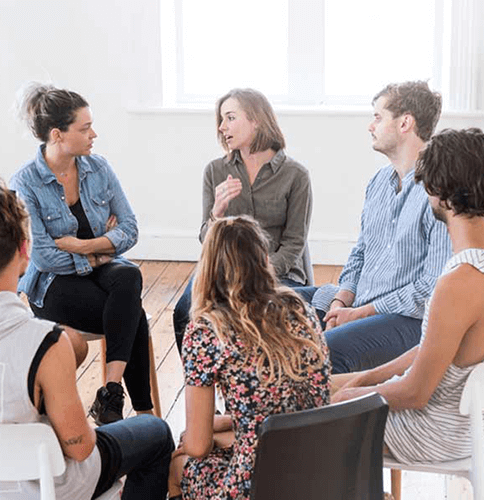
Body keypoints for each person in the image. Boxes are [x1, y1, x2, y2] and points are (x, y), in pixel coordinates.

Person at [0, 177, 174, 500]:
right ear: (24, 251)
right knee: (156, 433)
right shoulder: (43, 343)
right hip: (48, 487)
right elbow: (82, 448)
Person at [332, 127, 484, 465]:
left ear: (438, 191)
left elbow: (415, 393)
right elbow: (435, 348)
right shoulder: (473, 268)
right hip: (458, 424)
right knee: (313, 387)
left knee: (290, 416)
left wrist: (355, 394)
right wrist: (367, 377)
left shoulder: (459, 282)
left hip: (429, 432)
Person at [9, 82, 152, 425]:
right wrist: (103, 245)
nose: (94, 134)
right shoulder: (25, 183)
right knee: (133, 315)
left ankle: (111, 394)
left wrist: (83, 247)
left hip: (100, 274)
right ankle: (142, 412)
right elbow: (43, 258)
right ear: (57, 134)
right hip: (52, 286)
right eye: (85, 128)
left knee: (129, 275)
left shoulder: (97, 168)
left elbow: (131, 228)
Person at [168, 215, 330, 500]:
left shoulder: (207, 331)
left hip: (258, 484)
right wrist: (230, 424)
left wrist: (206, 438)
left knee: (178, 464)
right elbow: (282, 402)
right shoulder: (300, 310)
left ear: (208, 267)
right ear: (264, 258)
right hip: (318, 471)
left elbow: (197, 445)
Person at [311, 81, 451, 373]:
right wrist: (340, 301)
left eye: (377, 116)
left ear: (405, 123)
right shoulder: (378, 183)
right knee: (277, 314)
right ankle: (252, 416)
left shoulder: (439, 192)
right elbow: (361, 252)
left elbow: (430, 289)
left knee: (324, 351)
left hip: (407, 321)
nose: (370, 126)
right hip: (359, 306)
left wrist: (360, 313)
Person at [173, 88, 314, 352]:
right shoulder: (215, 170)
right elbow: (207, 238)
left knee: (262, 317)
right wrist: (217, 212)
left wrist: (256, 275)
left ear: (256, 119)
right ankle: (200, 388)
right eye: (221, 119)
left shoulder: (296, 175)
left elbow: (294, 243)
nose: (222, 126)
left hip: (277, 272)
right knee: (184, 312)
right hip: (223, 270)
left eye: (230, 117)